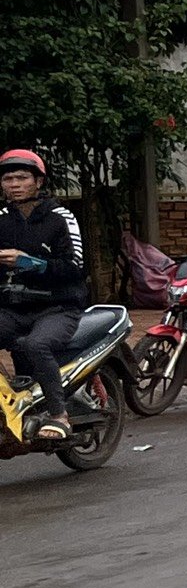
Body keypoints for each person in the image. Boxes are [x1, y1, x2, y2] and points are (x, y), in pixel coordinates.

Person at [0, 148, 87, 442]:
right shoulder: (1, 218)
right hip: (14, 308)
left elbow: (75, 266)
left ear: (38, 181)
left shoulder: (60, 217)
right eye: (8, 178)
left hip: (58, 307)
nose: (14, 184)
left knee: (37, 344)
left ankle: (58, 414)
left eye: (21, 177)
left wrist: (29, 262)